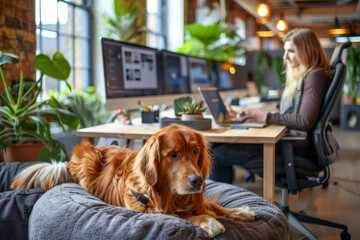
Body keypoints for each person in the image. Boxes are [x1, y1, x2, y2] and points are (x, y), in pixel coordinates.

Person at [210, 28, 331, 184]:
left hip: (295, 148)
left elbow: (304, 121)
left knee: (216, 154)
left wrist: (265, 117)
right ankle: (223, 202)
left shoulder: (314, 76)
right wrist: (244, 115)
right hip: (290, 141)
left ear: (307, 52)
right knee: (218, 145)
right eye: (285, 51)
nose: (285, 57)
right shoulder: (306, 76)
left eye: (291, 51)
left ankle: (221, 204)